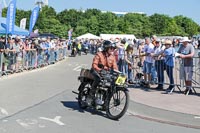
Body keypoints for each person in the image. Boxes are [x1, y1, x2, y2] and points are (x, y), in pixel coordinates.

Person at [89, 40, 118, 104]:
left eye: (113, 48)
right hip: (96, 71)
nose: (112, 50)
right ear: (106, 48)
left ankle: (106, 100)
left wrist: (118, 73)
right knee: (98, 79)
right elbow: (94, 65)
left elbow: (115, 67)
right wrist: (99, 70)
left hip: (105, 73)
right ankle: (92, 94)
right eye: (111, 48)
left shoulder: (112, 57)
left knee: (112, 83)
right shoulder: (99, 54)